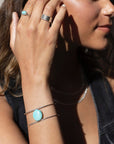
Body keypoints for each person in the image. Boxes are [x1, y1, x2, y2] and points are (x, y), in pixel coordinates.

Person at [0, 0, 114, 143]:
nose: (110, 8)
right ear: (43, 4)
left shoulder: (107, 77)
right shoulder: (4, 108)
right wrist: (35, 82)